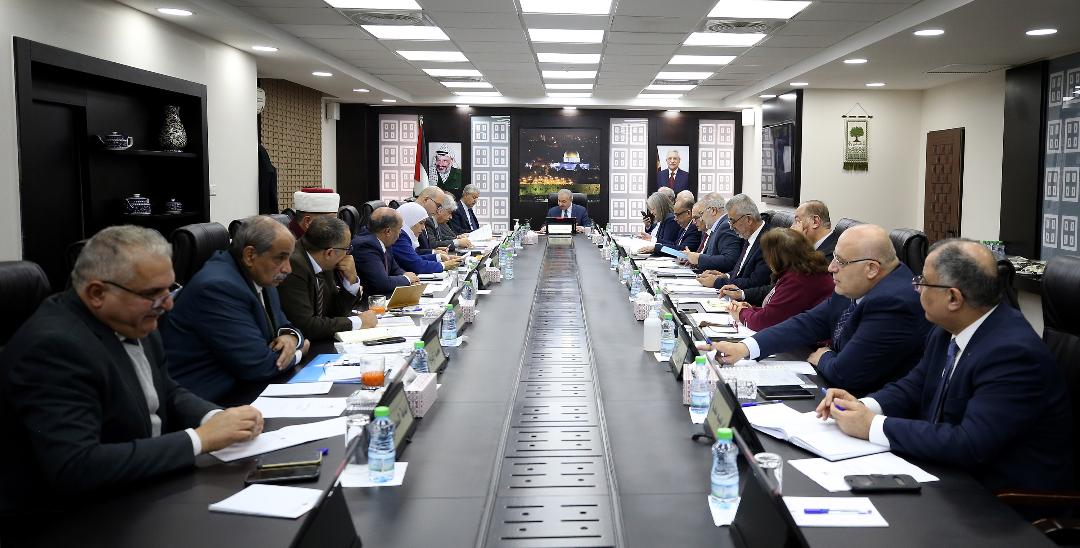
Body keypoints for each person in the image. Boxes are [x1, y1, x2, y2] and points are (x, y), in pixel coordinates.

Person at [0, 226, 264, 520]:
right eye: (153, 293)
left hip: (145, 486)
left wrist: (214, 418)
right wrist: (200, 439)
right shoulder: (54, 348)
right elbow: (77, 466)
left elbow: (166, 390)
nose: (168, 304)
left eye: (168, 289)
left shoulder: (132, 317)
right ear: (97, 293)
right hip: (75, 518)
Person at [817, 239, 1071, 493]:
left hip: (999, 498)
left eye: (923, 282)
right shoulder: (946, 330)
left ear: (953, 298)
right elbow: (913, 387)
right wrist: (862, 407)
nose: (916, 289)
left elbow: (970, 444)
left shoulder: (1012, 354)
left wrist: (872, 426)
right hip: (946, 472)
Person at [711, 224, 932, 396]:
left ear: (872, 268)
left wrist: (825, 357)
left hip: (868, 405)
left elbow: (845, 373)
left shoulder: (894, 303)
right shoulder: (855, 283)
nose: (831, 267)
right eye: (834, 257)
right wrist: (744, 348)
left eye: (841, 261)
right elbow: (808, 323)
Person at [163, 216, 309, 405]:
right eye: (280, 258)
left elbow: (286, 326)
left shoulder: (262, 276)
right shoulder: (217, 288)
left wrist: (292, 337)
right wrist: (300, 351)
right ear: (250, 255)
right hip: (208, 402)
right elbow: (259, 365)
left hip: (247, 389)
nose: (288, 268)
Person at [278, 215, 377, 342]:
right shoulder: (293, 266)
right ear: (329, 253)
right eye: (347, 249)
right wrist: (358, 322)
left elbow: (335, 312)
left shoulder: (322, 259)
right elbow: (306, 326)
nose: (348, 255)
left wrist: (351, 279)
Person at [719, 200, 839, 305]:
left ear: (815, 221)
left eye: (797, 221)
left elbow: (793, 286)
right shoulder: (814, 248)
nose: (792, 227)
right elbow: (779, 286)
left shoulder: (832, 253)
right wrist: (743, 294)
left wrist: (797, 243)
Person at [727, 228, 834, 331]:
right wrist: (752, 310)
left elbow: (765, 322)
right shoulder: (803, 271)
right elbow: (781, 311)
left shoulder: (798, 279)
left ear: (775, 257)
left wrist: (741, 313)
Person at [696, 193, 771, 289]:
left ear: (748, 219)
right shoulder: (748, 234)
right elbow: (741, 271)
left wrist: (717, 282)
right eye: (729, 221)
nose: (731, 227)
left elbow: (755, 282)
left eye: (733, 221)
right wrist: (725, 275)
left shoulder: (768, 242)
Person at [350, 207, 419, 298]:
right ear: (388, 231)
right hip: (370, 301)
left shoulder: (383, 239)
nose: (401, 233)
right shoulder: (366, 246)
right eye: (399, 229)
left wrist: (405, 275)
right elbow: (382, 283)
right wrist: (407, 279)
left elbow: (395, 269)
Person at [391, 202, 463, 274]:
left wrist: (439, 257)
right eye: (421, 223)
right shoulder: (400, 237)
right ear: (410, 221)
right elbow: (418, 265)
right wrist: (444, 265)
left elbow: (416, 257)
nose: (423, 228)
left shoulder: (404, 236)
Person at [683, 193, 741, 272]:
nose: (701, 219)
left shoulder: (726, 226)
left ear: (713, 210)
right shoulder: (717, 226)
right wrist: (695, 260)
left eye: (701, 213)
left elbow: (729, 260)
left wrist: (698, 258)